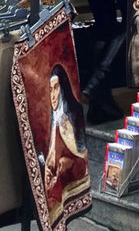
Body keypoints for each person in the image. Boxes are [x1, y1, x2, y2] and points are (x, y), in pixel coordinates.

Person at [41, 63, 88, 208]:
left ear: (63, 88)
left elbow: (82, 152)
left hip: (76, 166)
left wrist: (69, 161)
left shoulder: (73, 113)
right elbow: (53, 150)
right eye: (50, 90)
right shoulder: (55, 116)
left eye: (56, 88)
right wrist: (48, 165)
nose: (53, 96)